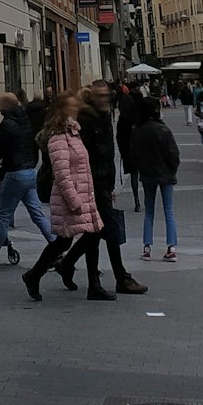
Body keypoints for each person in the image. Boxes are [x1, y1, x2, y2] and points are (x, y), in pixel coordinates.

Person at [21, 92, 112, 303]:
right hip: (70, 197)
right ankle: (37, 274)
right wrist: (74, 200)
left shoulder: (73, 132)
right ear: (63, 110)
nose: (77, 110)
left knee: (87, 235)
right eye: (73, 107)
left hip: (83, 194)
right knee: (67, 240)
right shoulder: (57, 137)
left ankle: (86, 281)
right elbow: (61, 174)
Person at [57, 83, 146, 293]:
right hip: (92, 183)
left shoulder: (105, 116)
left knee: (96, 232)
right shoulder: (85, 120)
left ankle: (68, 264)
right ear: (92, 96)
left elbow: (108, 152)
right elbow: (86, 157)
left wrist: (111, 183)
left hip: (103, 181)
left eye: (107, 95)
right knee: (107, 230)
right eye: (100, 95)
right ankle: (118, 278)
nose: (105, 98)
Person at [0, 92, 52, 268]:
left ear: (5, 107)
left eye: (0, 104)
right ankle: (56, 249)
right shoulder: (26, 120)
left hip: (14, 173)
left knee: (3, 215)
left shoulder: (7, 124)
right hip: (29, 171)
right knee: (37, 214)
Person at [132, 96, 179, 262]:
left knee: (149, 212)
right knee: (169, 210)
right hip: (165, 173)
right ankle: (171, 247)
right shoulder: (163, 129)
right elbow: (173, 154)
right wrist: (172, 168)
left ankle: (146, 247)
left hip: (147, 175)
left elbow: (134, 154)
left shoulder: (138, 130)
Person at [116, 86, 141, 211]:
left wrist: (122, 151)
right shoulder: (136, 118)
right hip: (139, 151)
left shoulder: (121, 120)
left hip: (128, 152)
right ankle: (145, 199)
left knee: (133, 176)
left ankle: (136, 200)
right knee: (143, 175)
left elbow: (118, 137)